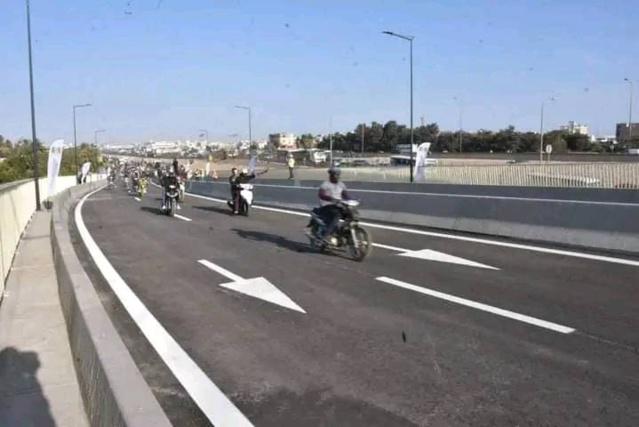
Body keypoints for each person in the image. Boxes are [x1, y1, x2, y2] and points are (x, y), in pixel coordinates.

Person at [314, 167, 350, 244]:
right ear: (331, 175)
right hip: (327, 206)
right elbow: (321, 195)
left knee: (350, 214)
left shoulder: (341, 185)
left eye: (339, 175)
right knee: (337, 214)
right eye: (336, 174)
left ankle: (344, 233)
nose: (338, 176)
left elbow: (346, 196)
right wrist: (330, 199)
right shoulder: (325, 184)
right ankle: (326, 235)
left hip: (338, 206)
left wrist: (354, 200)